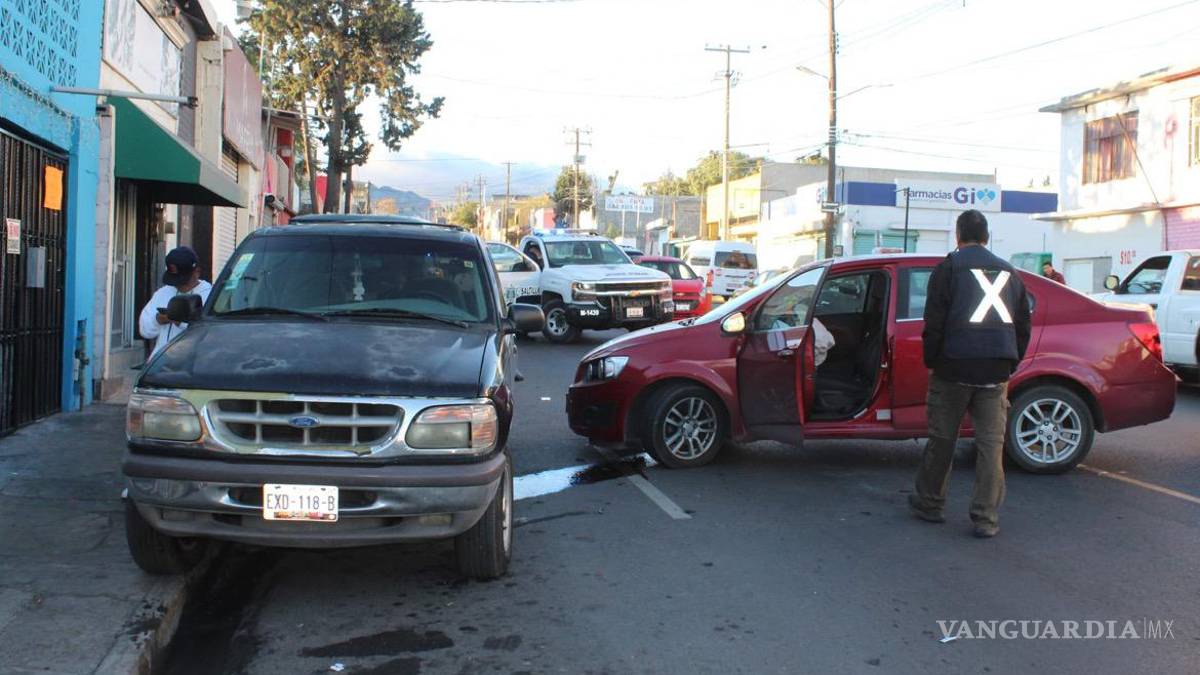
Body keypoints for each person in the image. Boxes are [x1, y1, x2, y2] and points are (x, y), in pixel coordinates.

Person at [909, 210, 1031, 538]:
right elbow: (1023, 325)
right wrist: (1010, 362)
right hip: (996, 370)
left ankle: (930, 503)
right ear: (987, 237)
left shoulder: (948, 269)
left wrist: (933, 361)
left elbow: (933, 323)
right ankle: (986, 518)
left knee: (942, 441)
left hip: (954, 368)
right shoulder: (1010, 272)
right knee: (991, 447)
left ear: (958, 236)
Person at [139, 246, 212, 361]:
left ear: (196, 272)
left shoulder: (210, 295)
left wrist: (180, 322)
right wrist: (158, 319)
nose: (178, 285)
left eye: (182, 280)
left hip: (191, 365)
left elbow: (209, 333)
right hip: (160, 363)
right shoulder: (163, 292)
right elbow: (144, 330)